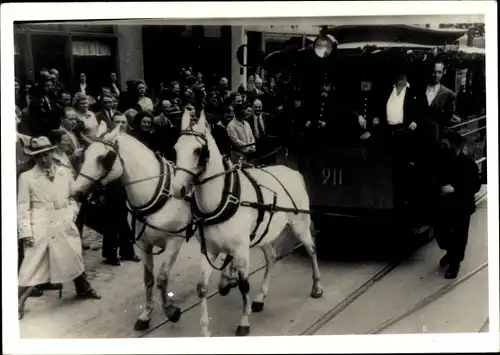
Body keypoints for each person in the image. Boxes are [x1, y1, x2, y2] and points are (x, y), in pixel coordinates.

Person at [18, 137, 101, 320]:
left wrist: (71, 214)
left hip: (63, 221)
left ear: (51, 153)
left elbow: (73, 197)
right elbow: (23, 207)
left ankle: (83, 288)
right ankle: (18, 303)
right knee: (31, 266)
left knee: (73, 255)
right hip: (40, 225)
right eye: (37, 157)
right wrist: (25, 232)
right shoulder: (27, 177)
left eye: (45, 155)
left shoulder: (64, 173)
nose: (42, 160)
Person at [433, 132, 481, 279]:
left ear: (456, 146)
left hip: (461, 205)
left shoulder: (468, 164)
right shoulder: (442, 161)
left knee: (458, 236)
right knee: (441, 235)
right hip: (444, 205)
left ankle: (454, 264)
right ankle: (450, 252)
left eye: (448, 145)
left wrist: (455, 188)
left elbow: (475, 186)